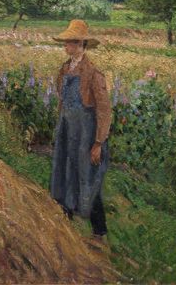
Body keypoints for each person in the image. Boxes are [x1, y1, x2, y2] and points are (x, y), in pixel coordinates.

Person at [50, 19, 112, 239]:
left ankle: (99, 231)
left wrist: (98, 143)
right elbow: (63, 101)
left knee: (87, 180)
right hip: (68, 132)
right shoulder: (65, 69)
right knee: (64, 175)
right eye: (65, 43)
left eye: (68, 43)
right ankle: (66, 229)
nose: (65, 47)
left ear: (79, 44)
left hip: (86, 135)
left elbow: (104, 110)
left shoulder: (93, 74)